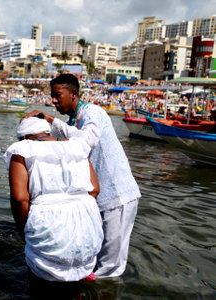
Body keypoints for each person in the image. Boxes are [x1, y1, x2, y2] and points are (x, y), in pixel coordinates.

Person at [24, 73, 141, 278]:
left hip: (117, 196)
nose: (53, 101)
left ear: (74, 93)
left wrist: (51, 122)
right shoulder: (73, 121)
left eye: (57, 95)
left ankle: (105, 292)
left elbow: (86, 141)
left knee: (110, 267)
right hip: (96, 200)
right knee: (92, 257)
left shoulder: (92, 112)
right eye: (52, 96)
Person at [3, 117, 103, 298]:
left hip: (48, 225)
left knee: (42, 290)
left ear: (24, 136)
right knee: (74, 289)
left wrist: (25, 230)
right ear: (47, 132)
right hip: (88, 227)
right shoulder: (77, 146)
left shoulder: (22, 150)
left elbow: (20, 199)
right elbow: (94, 189)